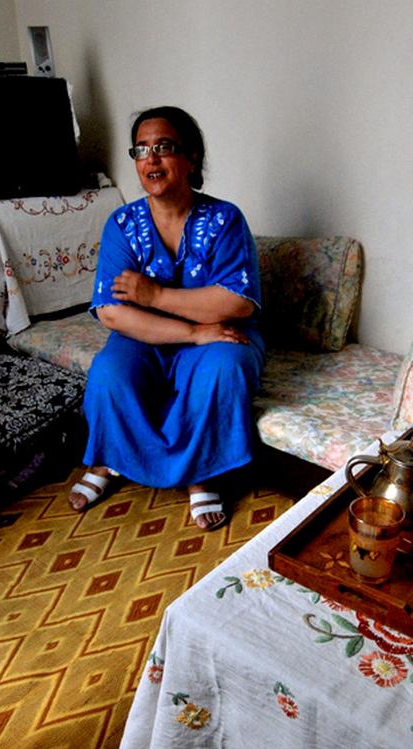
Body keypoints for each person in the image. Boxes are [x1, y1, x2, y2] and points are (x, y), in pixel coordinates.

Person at [68, 106, 265, 530]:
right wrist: (192, 330)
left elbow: (237, 302)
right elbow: (113, 312)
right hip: (148, 335)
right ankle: (107, 460)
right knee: (108, 373)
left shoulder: (225, 219)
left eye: (164, 147)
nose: (151, 159)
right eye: (141, 150)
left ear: (191, 158)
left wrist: (154, 294)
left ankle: (202, 473)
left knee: (223, 369)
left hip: (221, 335)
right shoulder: (122, 224)